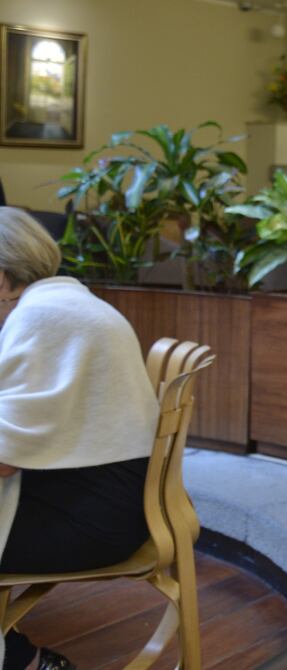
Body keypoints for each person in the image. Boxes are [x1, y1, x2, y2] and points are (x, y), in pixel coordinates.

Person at [0, 207, 159, 670]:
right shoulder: (61, 304)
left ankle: (23, 660)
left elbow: (4, 458)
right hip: (106, 499)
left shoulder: (42, 318)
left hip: (93, 520)